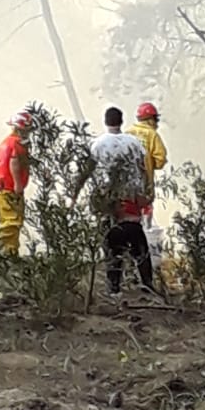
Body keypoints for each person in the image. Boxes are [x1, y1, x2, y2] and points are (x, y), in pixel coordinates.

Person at [90, 107, 155, 297]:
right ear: (122, 121)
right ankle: (147, 283)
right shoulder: (134, 143)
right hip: (131, 198)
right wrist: (145, 193)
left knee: (112, 247)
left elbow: (93, 172)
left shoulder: (97, 144)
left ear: (105, 121)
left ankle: (114, 288)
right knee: (139, 244)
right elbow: (142, 169)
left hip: (109, 200)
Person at [0, 110, 33, 255]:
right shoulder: (17, 143)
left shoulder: (6, 142)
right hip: (10, 189)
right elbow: (14, 162)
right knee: (12, 222)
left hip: (0, 187)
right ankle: (9, 254)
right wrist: (18, 185)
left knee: (6, 222)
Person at [127, 102, 168, 225]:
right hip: (145, 186)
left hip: (128, 185)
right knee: (146, 216)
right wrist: (149, 164)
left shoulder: (128, 132)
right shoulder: (152, 134)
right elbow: (160, 160)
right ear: (151, 119)